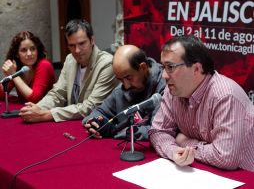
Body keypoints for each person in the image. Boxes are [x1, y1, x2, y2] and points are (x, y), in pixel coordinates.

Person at [149, 35, 254, 171]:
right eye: (163, 67)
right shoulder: (173, 91)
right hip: (203, 170)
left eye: (170, 67)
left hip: (245, 175)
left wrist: (184, 142)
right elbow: (157, 131)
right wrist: (173, 151)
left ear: (196, 69)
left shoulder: (225, 95)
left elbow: (225, 156)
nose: (164, 75)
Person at [19, 19, 119, 122]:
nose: (77, 50)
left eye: (82, 43)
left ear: (92, 40)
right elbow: (58, 94)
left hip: (97, 125)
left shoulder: (107, 64)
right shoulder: (70, 59)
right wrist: (38, 108)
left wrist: (47, 114)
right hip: (72, 122)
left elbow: (91, 106)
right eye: (72, 45)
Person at [83, 45, 165, 140]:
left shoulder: (164, 87)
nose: (126, 86)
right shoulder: (121, 90)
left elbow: (159, 130)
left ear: (143, 67)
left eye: (128, 77)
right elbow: (99, 112)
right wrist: (96, 123)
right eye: (120, 79)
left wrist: (120, 131)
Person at [0, 31, 55, 103]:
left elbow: (35, 98)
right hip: (26, 111)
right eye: (24, 50)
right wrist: (8, 77)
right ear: (17, 54)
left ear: (37, 50)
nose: (29, 54)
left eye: (33, 49)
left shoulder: (44, 65)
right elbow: (1, 95)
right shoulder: (17, 67)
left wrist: (14, 75)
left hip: (45, 111)